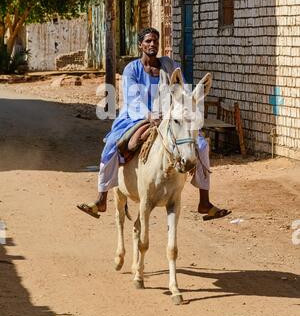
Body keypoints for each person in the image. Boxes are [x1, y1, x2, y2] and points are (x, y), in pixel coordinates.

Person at [77, 27, 230, 220]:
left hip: (167, 116)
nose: (152, 44)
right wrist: (149, 115)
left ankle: (204, 201)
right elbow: (133, 99)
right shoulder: (131, 69)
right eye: (148, 41)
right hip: (135, 116)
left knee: (200, 144)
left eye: (155, 41)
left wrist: (175, 112)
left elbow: (180, 91)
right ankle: (101, 199)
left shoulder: (169, 64)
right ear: (140, 45)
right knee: (112, 145)